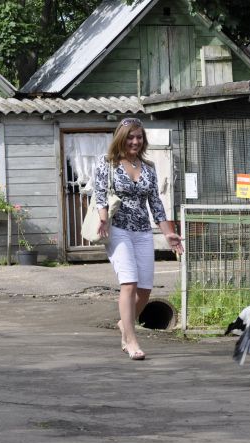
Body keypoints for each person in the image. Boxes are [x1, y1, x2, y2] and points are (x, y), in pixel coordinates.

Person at [93, 117, 184, 360]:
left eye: (139, 137)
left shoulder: (149, 168)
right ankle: (131, 340)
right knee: (129, 283)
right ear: (121, 138)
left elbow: (155, 202)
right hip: (117, 229)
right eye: (130, 137)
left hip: (143, 231)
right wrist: (103, 218)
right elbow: (100, 193)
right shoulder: (107, 163)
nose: (135, 141)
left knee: (144, 289)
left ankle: (125, 323)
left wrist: (168, 233)